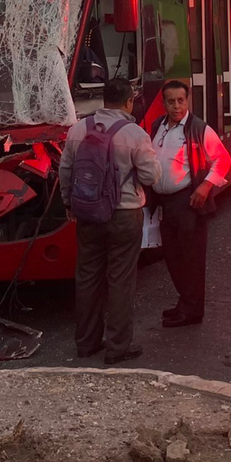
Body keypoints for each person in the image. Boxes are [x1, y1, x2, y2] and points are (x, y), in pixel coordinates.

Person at [59, 77, 161, 364]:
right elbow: (151, 176)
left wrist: (68, 202)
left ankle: (87, 342)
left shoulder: (79, 129)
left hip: (88, 213)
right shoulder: (135, 134)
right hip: (124, 214)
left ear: (104, 100)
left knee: (88, 277)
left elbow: (65, 171)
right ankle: (118, 347)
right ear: (129, 101)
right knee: (120, 280)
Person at [148, 80, 231, 328]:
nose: (176, 106)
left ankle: (193, 311)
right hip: (165, 204)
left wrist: (205, 186)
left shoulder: (199, 128)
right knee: (173, 257)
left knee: (191, 259)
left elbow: (223, 159)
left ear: (188, 101)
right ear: (163, 103)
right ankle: (185, 303)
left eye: (181, 101)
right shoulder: (157, 126)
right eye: (171, 101)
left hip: (188, 203)